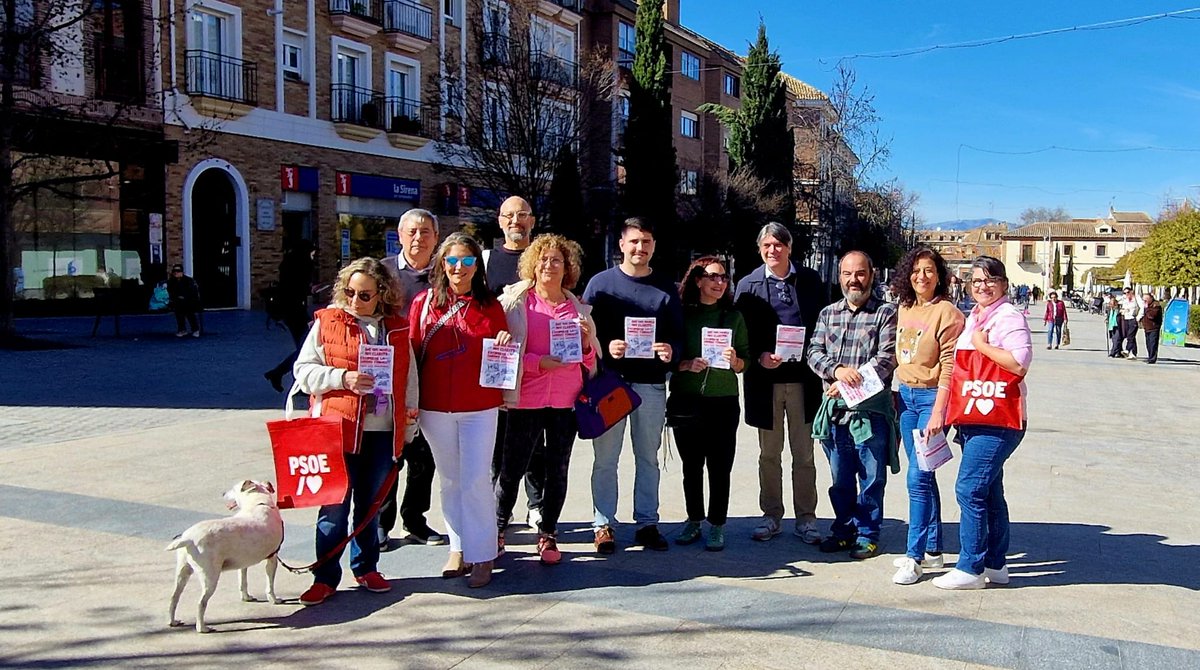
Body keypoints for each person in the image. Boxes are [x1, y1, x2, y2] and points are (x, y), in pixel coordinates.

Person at [292, 257, 419, 606]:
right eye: (349, 292)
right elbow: (302, 371)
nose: (355, 300)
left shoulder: (396, 327)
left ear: (381, 293)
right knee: (333, 508)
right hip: (338, 429)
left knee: (370, 506)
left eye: (364, 294)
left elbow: (409, 380)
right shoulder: (327, 322)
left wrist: (409, 424)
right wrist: (341, 378)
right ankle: (325, 577)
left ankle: (366, 567)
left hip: (382, 432)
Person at [410, 233, 510, 588]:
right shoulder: (423, 304)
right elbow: (410, 355)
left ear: (476, 267)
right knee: (450, 479)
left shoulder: (490, 306)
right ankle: (458, 547)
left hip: (480, 406)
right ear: (441, 264)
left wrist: (503, 343)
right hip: (434, 407)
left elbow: (503, 356)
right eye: (452, 261)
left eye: (467, 261)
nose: (459, 268)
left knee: (475, 480)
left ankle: (482, 553)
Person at [495, 234, 599, 565]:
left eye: (556, 260)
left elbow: (592, 363)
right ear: (532, 265)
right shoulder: (515, 303)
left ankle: (548, 533)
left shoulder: (578, 308)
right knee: (512, 468)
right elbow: (503, 353)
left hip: (566, 402)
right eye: (543, 259)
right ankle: (496, 530)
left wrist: (585, 343)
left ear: (567, 267)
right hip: (526, 397)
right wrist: (537, 362)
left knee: (558, 469)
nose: (549, 265)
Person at [582, 217, 683, 554]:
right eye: (635, 241)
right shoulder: (600, 284)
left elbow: (678, 336)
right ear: (622, 245)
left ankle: (647, 523)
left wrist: (671, 351)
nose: (641, 248)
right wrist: (604, 347)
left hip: (651, 385)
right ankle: (603, 523)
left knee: (648, 458)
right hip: (610, 384)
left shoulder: (665, 287)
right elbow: (581, 333)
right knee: (605, 459)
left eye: (647, 242)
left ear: (654, 246)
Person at [933, 256, 1032, 590]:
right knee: (990, 490)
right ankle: (995, 563)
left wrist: (982, 346)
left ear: (1003, 284)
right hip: (976, 415)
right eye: (976, 281)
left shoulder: (1008, 316)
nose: (982, 286)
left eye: (990, 280)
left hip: (998, 419)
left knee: (969, 488)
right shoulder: (977, 315)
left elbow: (1019, 363)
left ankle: (970, 566)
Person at [733, 223, 826, 544]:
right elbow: (739, 333)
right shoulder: (747, 285)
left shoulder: (811, 281)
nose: (773, 251)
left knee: (804, 454)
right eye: (767, 246)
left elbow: (823, 327)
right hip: (765, 383)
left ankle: (806, 518)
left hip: (804, 381)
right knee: (769, 454)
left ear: (789, 248)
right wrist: (759, 356)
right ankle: (771, 514)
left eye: (779, 245)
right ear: (760, 249)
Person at [806, 250, 899, 561]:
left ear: (871, 275)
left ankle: (868, 534)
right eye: (847, 273)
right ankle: (843, 530)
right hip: (834, 415)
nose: (853, 279)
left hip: (869, 413)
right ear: (840, 276)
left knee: (871, 478)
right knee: (840, 479)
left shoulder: (886, 314)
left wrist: (846, 384)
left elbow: (886, 359)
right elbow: (814, 352)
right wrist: (836, 371)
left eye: (860, 273)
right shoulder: (827, 313)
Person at [887, 247, 965, 585]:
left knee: (917, 477)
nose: (922, 276)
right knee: (924, 473)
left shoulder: (948, 313)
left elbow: (950, 366)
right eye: (917, 270)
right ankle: (934, 547)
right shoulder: (904, 308)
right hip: (905, 397)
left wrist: (939, 410)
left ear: (940, 275)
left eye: (929, 270)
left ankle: (913, 556)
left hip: (933, 398)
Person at [671, 256, 749, 552]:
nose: (720, 283)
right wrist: (685, 364)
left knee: (720, 467)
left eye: (724, 278)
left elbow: (746, 361)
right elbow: (668, 358)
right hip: (686, 399)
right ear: (697, 280)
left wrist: (735, 361)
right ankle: (693, 519)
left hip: (723, 401)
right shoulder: (681, 315)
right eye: (713, 277)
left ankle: (717, 524)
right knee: (691, 466)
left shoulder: (733, 316)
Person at [378, 209, 445, 549]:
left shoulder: (444, 273)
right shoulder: (383, 272)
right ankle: (381, 524)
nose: (420, 237)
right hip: (390, 379)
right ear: (400, 235)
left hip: (432, 376)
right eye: (413, 231)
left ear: (436, 237)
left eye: (427, 232)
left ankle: (415, 520)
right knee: (390, 455)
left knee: (424, 457)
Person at [485, 196, 547, 533]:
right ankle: (499, 506)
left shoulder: (544, 260)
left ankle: (536, 505)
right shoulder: (486, 261)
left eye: (522, 215)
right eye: (509, 215)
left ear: (532, 221)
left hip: (537, 366)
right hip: (498, 365)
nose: (516, 221)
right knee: (498, 442)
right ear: (499, 221)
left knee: (534, 441)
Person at [264, 241, 316, 392]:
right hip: (296, 310)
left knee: (304, 348)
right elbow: (298, 289)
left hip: (290, 310)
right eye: (312, 252)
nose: (314, 255)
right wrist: (310, 290)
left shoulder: (287, 264)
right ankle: (279, 374)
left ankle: (287, 378)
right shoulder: (304, 265)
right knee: (306, 349)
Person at [167, 264, 202, 337]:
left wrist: (184, 297)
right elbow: (171, 292)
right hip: (178, 301)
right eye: (174, 271)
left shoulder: (189, 280)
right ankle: (182, 329)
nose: (175, 273)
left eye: (178, 271)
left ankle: (195, 329)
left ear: (182, 272)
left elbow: (192, 292)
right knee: (178, 310)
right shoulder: (171, 282)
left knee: (189, 311)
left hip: (190, 301)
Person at [1118, 287, 1142, 359]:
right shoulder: (1125, 299)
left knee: (1130, 335)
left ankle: (1127, 350)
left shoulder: (1137, 298)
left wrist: (1138, 317)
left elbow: (1142, 307)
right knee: (1131, 336)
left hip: (1133, 318)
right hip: (1126, 318)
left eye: (1127, 292)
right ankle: (1133, 353)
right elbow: (1122, 306)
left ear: (1132, 291)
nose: (1126, 294)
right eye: (1124, 293)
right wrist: (1123, 310)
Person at [1141, 293, 1163, 364]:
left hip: (1154, 327)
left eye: (1146, 300)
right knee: (1148, 343)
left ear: (1150, 298)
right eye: (1144, 300)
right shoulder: (1147, 306)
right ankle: (1150, 356)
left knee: (1153, 343)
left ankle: (1152, 358)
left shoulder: (1156, 305)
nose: (1145, 301)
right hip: (1147, 327)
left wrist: (1146, 308)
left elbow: (1152, 316)